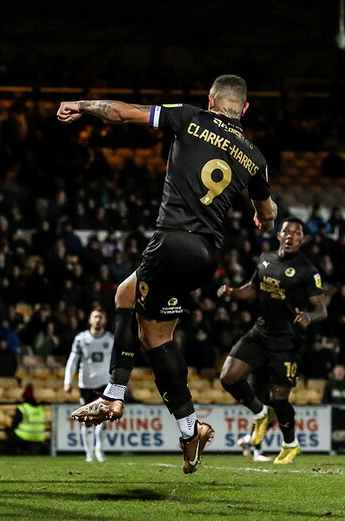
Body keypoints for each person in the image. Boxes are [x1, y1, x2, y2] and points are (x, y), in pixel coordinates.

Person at [58, 75, 277, 475]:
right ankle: (191, 429)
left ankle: (113, 395)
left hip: (173, 239)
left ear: (211, 100)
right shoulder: (255, 157)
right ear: (244, 108)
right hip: (207, 256)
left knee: (131, 307)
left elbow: (122, 113)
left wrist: (82, 104)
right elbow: (267, 211)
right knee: (149, 325)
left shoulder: (191, 117)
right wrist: (264, 218)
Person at [217, 217, 328, 464]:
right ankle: (260, 413)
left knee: (279, 399)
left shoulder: (307, 270)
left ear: (302, 239)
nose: (291, 236)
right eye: (287, 231)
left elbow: (321, 309)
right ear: (279, 235)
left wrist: (309, 316)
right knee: (228, 377)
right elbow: (253, 288)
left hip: (288, 340)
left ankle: (290, 444)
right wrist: (234, 292)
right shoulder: (266, 259)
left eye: (296, 233)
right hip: (261, 331)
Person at [63, 307, 114, 463]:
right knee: (87, 420)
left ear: (105, 320)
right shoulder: (81, 339)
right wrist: (67, 381)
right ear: (89, 320)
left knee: (104, 418)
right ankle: (89, 453)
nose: (98, 320)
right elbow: (72, 360)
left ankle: (99, 448)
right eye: (95, 317)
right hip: (86, 385)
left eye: (100, 317)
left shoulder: (110, 339)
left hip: (105, 384)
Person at [6, 384, 48, 455]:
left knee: (9, 442)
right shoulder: (40, 408)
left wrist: (12, 430)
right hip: (39, 437)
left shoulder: (23, 407)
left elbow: (15, 423)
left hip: (24, 436)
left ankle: (15, 457)